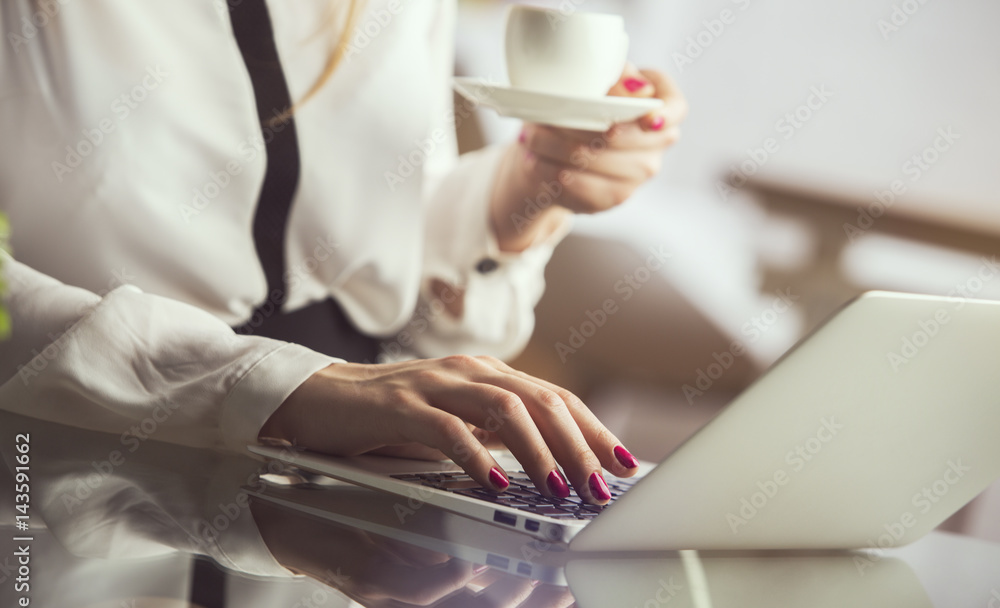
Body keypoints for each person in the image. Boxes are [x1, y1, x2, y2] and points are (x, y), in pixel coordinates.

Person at [0, 0, 687, 505]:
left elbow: (402, 275)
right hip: (72, 480)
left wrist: (521, 196)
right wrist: (281, 389)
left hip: (341, 501)